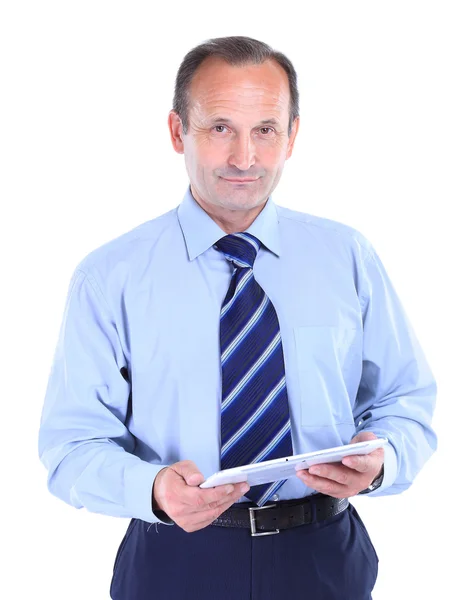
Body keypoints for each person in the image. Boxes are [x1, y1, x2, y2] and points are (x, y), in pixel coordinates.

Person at [38, 35, 437, 600]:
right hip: (175, 556)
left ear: (293, 135)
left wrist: (382, 460)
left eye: (266, 130)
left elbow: (405, 400)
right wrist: (152, 488)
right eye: (220, 127)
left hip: (323, 554)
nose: (245, 158)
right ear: (179, 132)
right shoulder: (110, 277)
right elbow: (71, 445)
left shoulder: (347, 256)